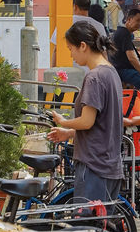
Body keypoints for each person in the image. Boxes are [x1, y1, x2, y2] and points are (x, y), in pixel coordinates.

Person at [46, 21, 123, 203]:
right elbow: (101, 123)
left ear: (83, 46)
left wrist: (63, 122)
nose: (72, 56)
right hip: (110, 165)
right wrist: (69, 133)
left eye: (71, 49)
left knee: (86, 226)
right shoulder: (111, 73)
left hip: (94, 166)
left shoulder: (94, 77)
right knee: (103, 227)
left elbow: (87, 121)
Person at [111, 8, 140, 140]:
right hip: (123, 71)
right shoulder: (124, 33)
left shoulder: (121, 33)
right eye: (137, 20)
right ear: (129, 19)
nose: (139, 24)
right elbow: (131, 58)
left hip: (120, 70)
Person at [50, 0, 107, 68]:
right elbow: (103, 51)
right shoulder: (99, 26)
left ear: (75, 6)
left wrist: (52, 70)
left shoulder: (64, 24)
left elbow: (56, 50)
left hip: (68, 71)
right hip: (92, 71)